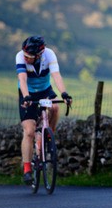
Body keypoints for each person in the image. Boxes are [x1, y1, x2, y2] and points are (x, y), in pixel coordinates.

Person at [16, 36, 72, 184]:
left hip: (45, 90)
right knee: (29, 131)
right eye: (25, 56)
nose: (26, 59)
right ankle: (27, 169)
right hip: (27, 92)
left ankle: (49, 136)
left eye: (30, 57)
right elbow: (22, 79)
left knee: (55, 106)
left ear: (40, 55)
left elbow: (56, 75)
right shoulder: (20, 56)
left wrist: (64, 94)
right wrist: (27, 97)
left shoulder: (49, 54)